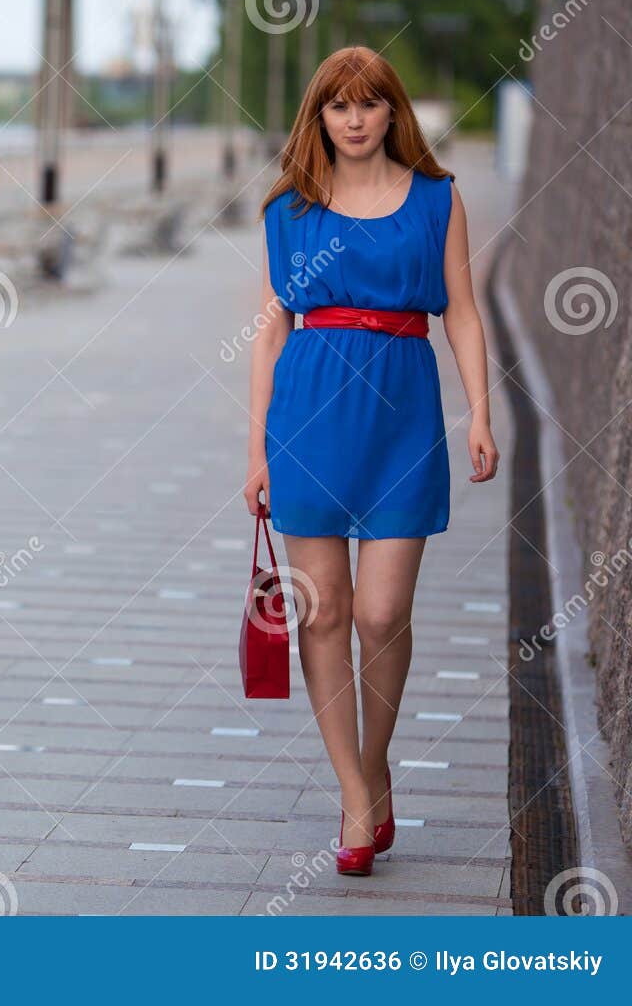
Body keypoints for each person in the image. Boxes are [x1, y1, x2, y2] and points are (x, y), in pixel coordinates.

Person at [242, 46, 500, 877]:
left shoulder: (437, 200)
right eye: (338, 107)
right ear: (318, 117)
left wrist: (480, 414)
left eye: (369, 104)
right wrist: (257, 449)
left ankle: (375, 758)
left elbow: (461, 312)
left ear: (394, 112)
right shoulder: (290, 210)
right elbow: (272, 327)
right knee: (322, 613)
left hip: (403, 412)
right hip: (307, 419)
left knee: (382, 612)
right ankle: (355, 794)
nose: (354, 119)